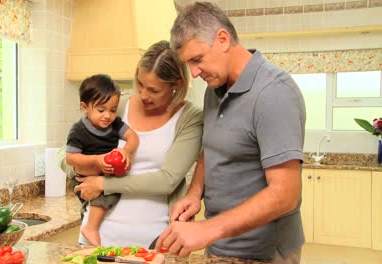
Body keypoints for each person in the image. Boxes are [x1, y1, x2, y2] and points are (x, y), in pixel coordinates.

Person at [155, 2, 306, 263]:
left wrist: (207, 229)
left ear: (223, 39)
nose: (194, 72)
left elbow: (285, 194)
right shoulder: (214, 88)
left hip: (264, 253)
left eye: (197, 59)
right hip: (219, 244)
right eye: (188, 63)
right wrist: (194, 193)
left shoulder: (273, 93)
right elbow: (211, 147)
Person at [57, 40, 203, 248]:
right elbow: (66, 153)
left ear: (176, 84)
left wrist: (104, 184)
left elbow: (167, 180)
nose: (143, 95)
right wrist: (88, 166)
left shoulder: (190, 118)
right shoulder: (118, 106)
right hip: (97, 236)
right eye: (140, 84)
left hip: (154, 240)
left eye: (153, 90)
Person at [65, 74, 139, 246]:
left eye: (113, 110)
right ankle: (90, 227)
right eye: (101, 110)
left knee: (110, 189)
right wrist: (96, 160)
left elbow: (133, 137)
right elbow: (70, 158)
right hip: (82, 178)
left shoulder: (115, 125)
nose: (108, 116)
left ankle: (89, 217)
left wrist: (126, 152)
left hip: (104, 173)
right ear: (84, 107)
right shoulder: (78, 130)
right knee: (106, 194)